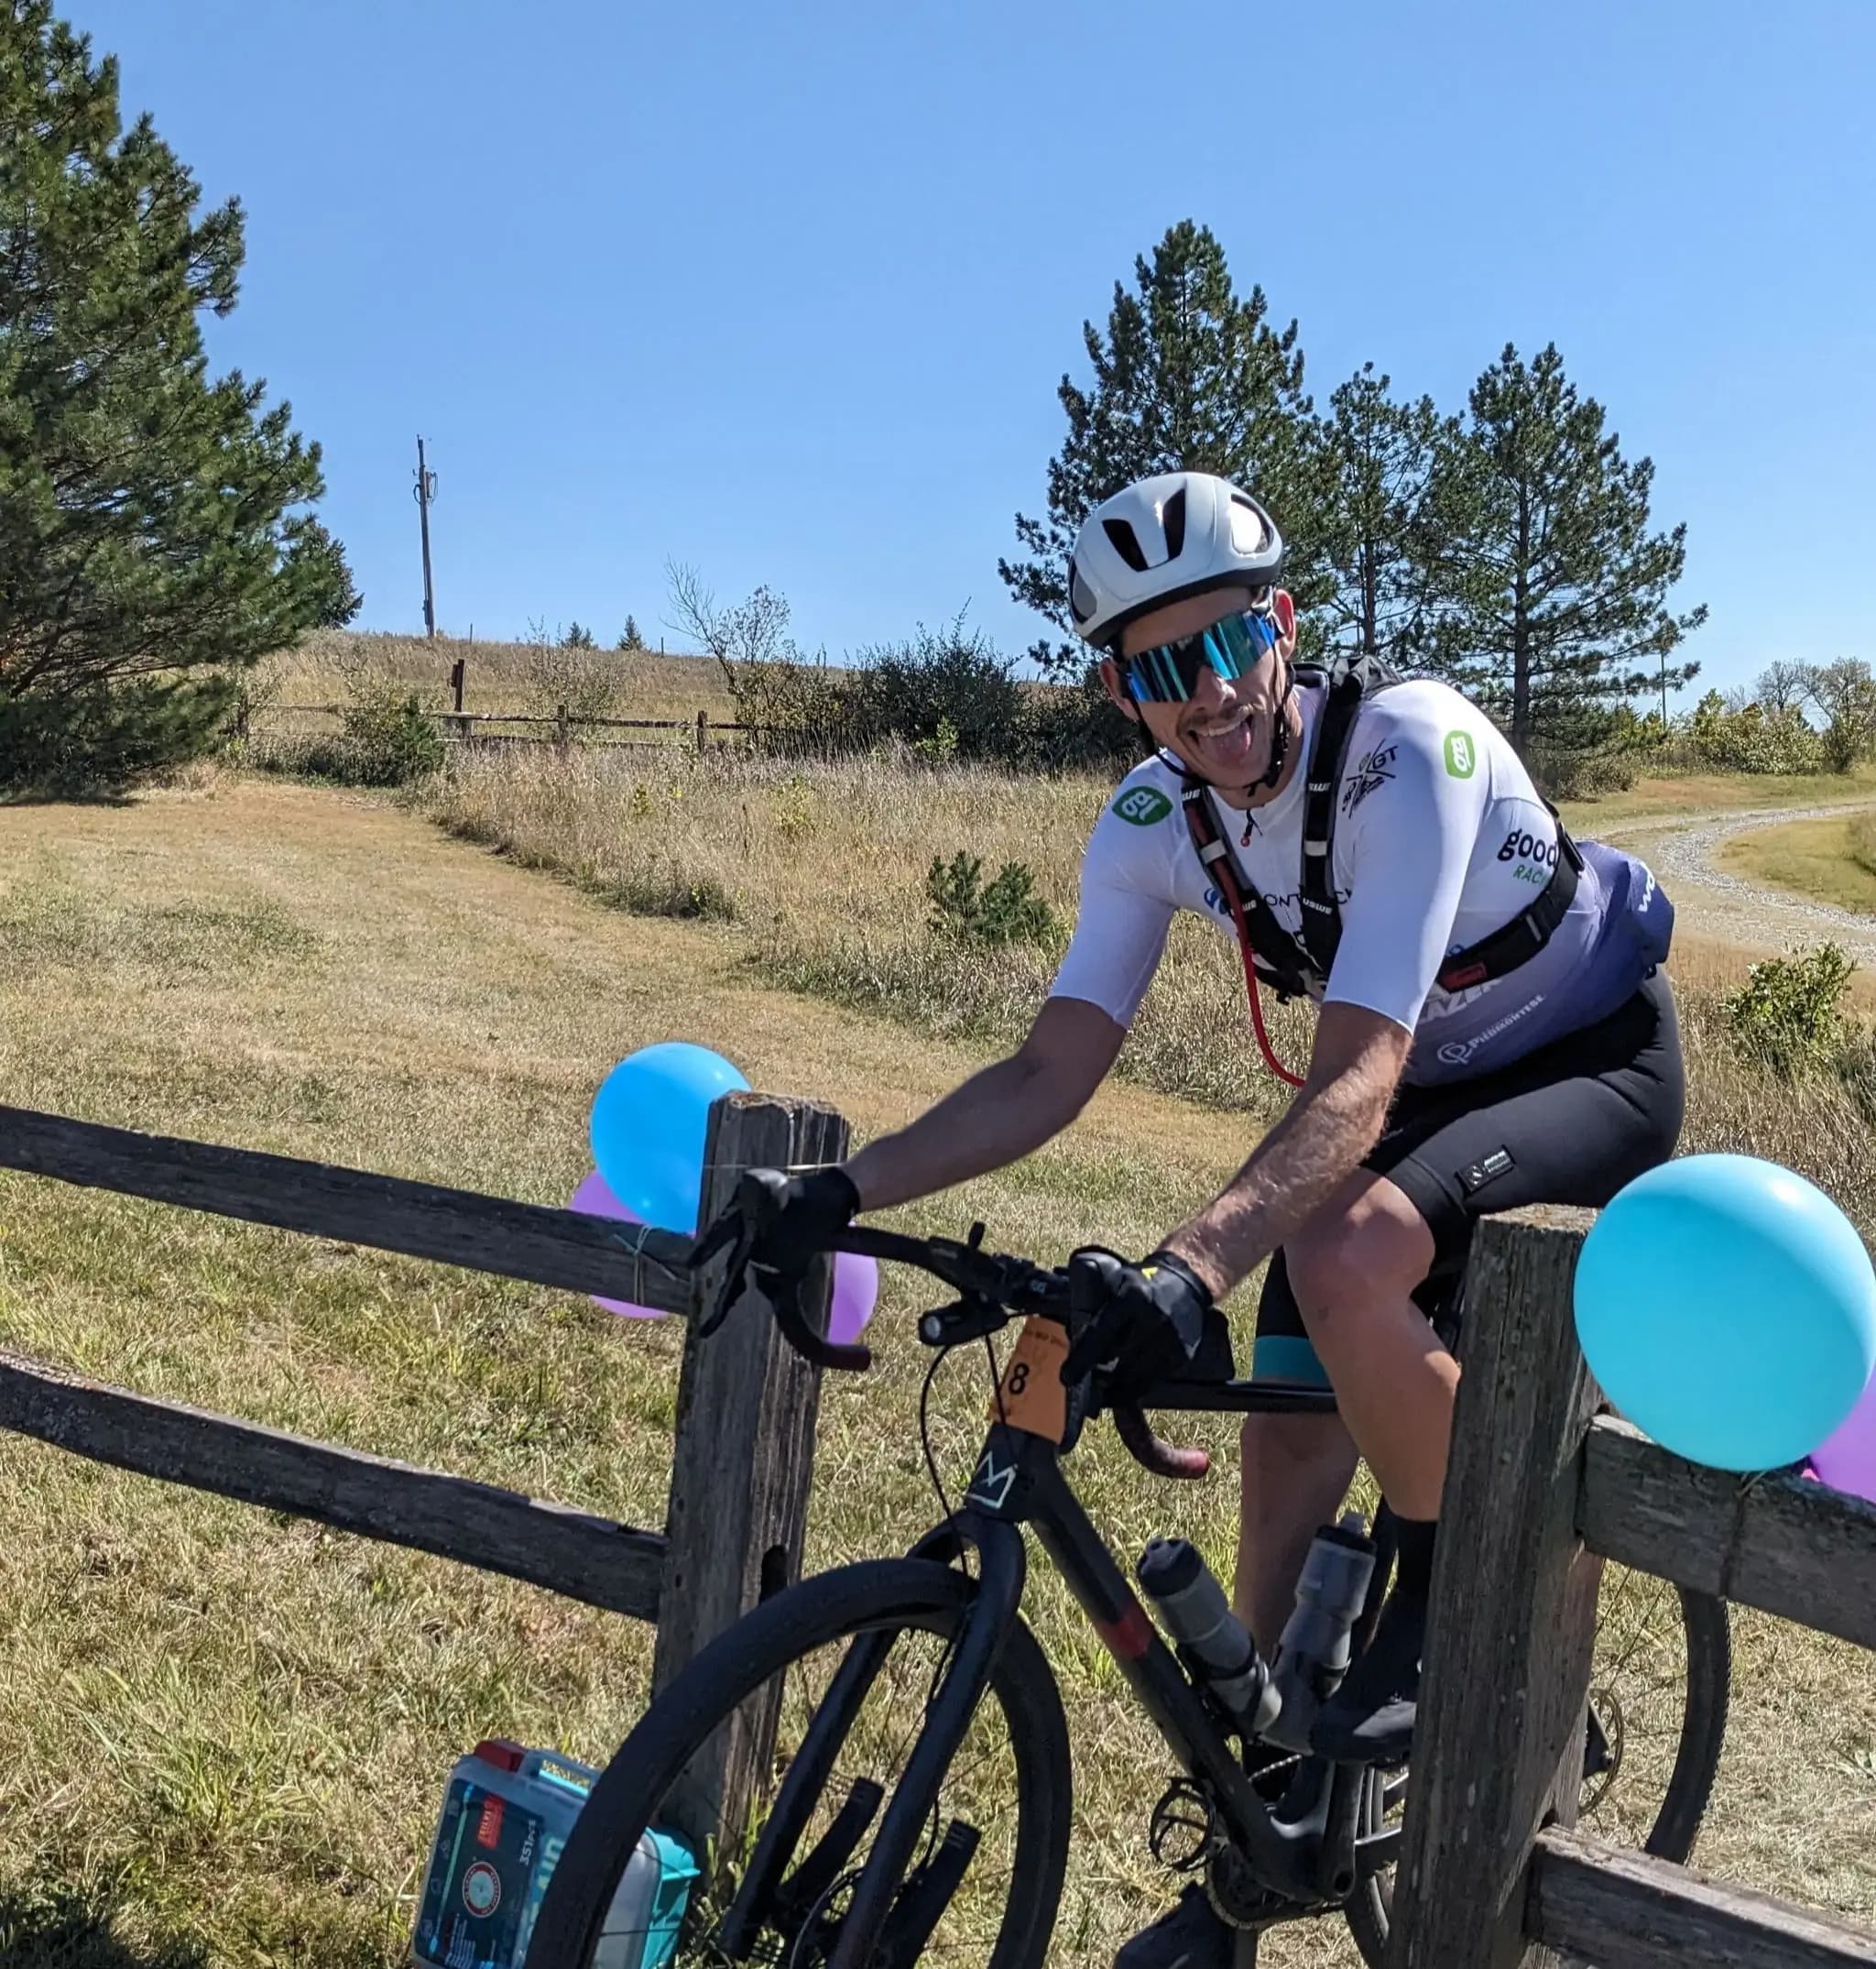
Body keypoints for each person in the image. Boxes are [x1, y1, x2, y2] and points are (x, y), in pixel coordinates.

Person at [744, 470, 1684, 1963]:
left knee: (1340, 1248)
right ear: (1124, 689)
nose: (1211, 693)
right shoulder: (1147, 821)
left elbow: (1360, 1071)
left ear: (1282, 625)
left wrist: (1191, 1260)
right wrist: (844, 1189)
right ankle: (1278, 1806)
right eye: (1162, 667)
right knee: (1284, 1429)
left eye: (1229, 641)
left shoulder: (1410, 751)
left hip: (1586, 1065)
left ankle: (1462, 1607)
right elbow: (1052, 1067)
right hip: (1426, 1093)